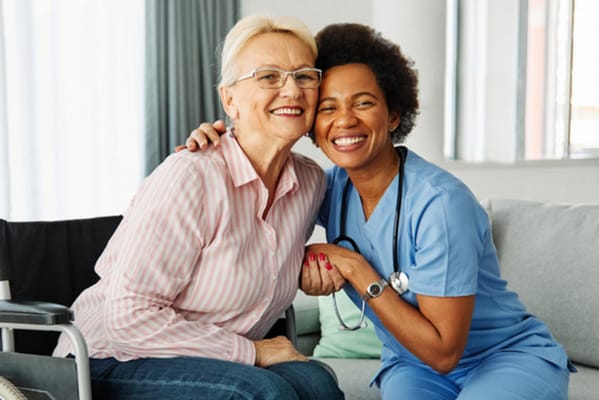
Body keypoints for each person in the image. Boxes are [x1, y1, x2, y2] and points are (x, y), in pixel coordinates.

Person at [182, 23, 573, 400]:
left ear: (394, 115)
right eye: (328, 107)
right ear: (312, 128)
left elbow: (443, 352)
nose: (345, 120)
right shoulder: (324, 187)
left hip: (502, 358)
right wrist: (220, 142)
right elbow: (257, 198)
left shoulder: (441, 204)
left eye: (363, 103)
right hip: (411, 363)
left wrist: (355, 268)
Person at [52, 14, 344, 400]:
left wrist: (313, 263)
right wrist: (252, 352)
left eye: (304, 75)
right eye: (269, 76)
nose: (291, 89)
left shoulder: (310, 182)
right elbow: (126, 319)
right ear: (229, 99)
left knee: (319, 384)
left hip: (212, 360)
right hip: (107, 358)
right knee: (261, 393)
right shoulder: (192, 176)